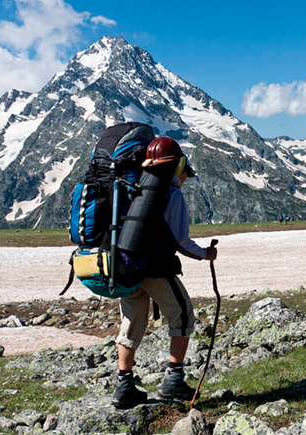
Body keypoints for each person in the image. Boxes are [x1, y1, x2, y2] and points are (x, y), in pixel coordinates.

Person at [112, 137, 218, 409]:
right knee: (182, 314)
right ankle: (173, 380)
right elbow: (180, 240)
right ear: (178, 165)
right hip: (155, 267)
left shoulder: (132, 186)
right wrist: (205, 253)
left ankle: (124, 385)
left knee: (131, 323)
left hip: (125, 264)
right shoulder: (170, 193)